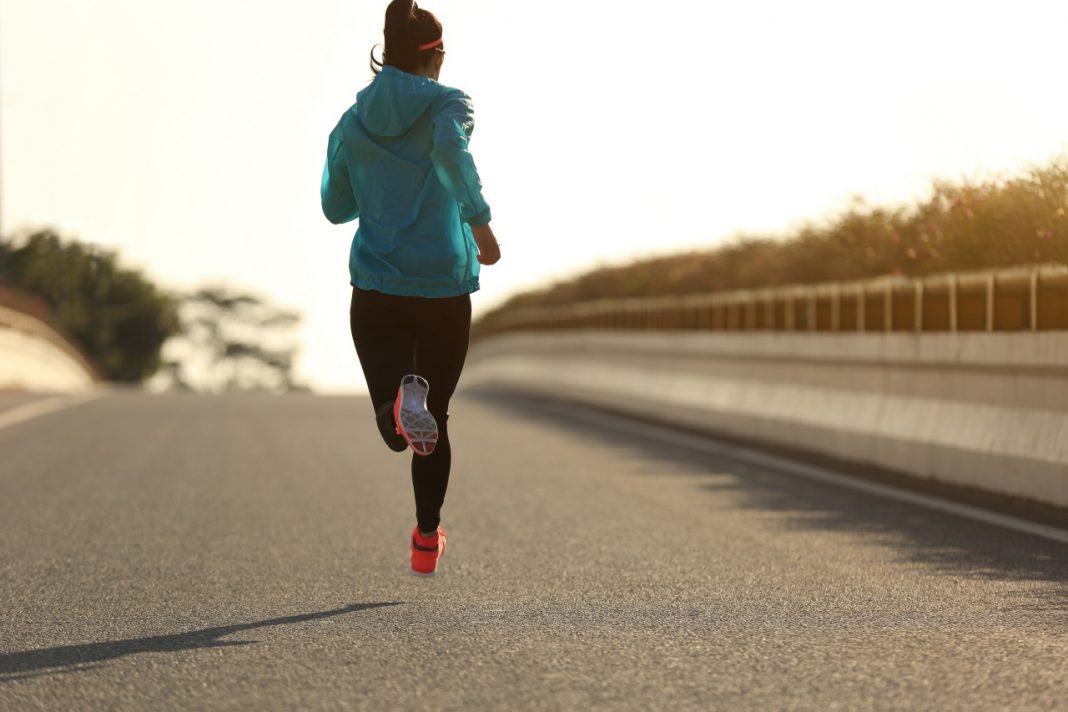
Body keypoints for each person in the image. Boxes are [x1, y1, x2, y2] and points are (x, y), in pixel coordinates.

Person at [320, 0, 500, 577]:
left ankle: (396, 403)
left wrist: (376, 186)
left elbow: (334, 205)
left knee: (396, 425)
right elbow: (451, 152)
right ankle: (426, 537)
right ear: (435, 56)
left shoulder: (354, 120)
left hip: (375, 284)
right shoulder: (450, 103)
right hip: (442, 284)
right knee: (436, 422)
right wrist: (480, 221)